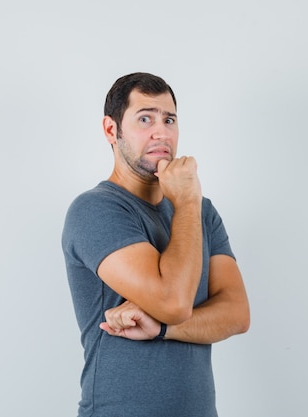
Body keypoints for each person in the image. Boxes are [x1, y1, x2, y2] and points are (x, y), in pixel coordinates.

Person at [62, 72, 250, 417]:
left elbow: (237, 314)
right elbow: (173, 300)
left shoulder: (202, 212)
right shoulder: (96, 209)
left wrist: (163, 328)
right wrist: (188, 201)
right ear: (111, 130)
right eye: (145, 118)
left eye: (170, 119)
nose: (161, 132)